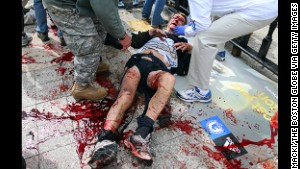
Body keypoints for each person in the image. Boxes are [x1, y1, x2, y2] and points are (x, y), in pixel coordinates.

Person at [87, 12, 190, 168]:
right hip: (138, 62)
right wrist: (150, 32)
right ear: (169, 21)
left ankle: (141, 134)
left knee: (170, 79)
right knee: (125, 95)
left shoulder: (181, 42)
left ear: (184, 27)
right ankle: (105, 140)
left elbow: (182, 70)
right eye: (175, 16)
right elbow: (133, 43)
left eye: (181, 20)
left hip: (157, 69)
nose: (176, 19)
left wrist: (189, 51)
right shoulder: (156, 32)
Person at [174, 0, 278, 103]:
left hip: (258, 11)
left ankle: (201, 91)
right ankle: (217, 52)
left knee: (204, 38)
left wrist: (187, 30)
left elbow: (201, 25)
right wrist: (192, 23)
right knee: (211, 31)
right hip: (263, 5)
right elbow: (205, 10)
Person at [43, 0, 132, 101]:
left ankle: (92, 65)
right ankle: (81, 86)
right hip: (63, 4)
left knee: (99, 28)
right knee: (88, 45)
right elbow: (104, 9)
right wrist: (122, 35)